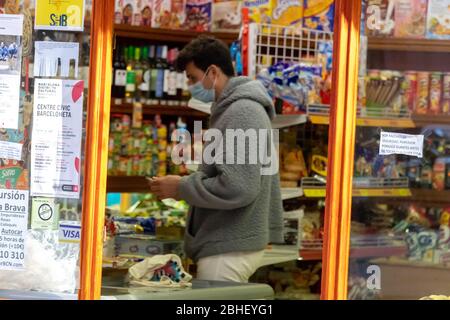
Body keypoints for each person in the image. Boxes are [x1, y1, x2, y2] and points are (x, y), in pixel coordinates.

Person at [148, 36, 283, 283]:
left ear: (212, 72)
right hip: (228, 241)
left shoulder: (242, 111)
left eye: (192, 77)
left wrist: (180, 187)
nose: (189, 85)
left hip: (229, 245)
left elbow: (238, 186)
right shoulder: (233, 109)